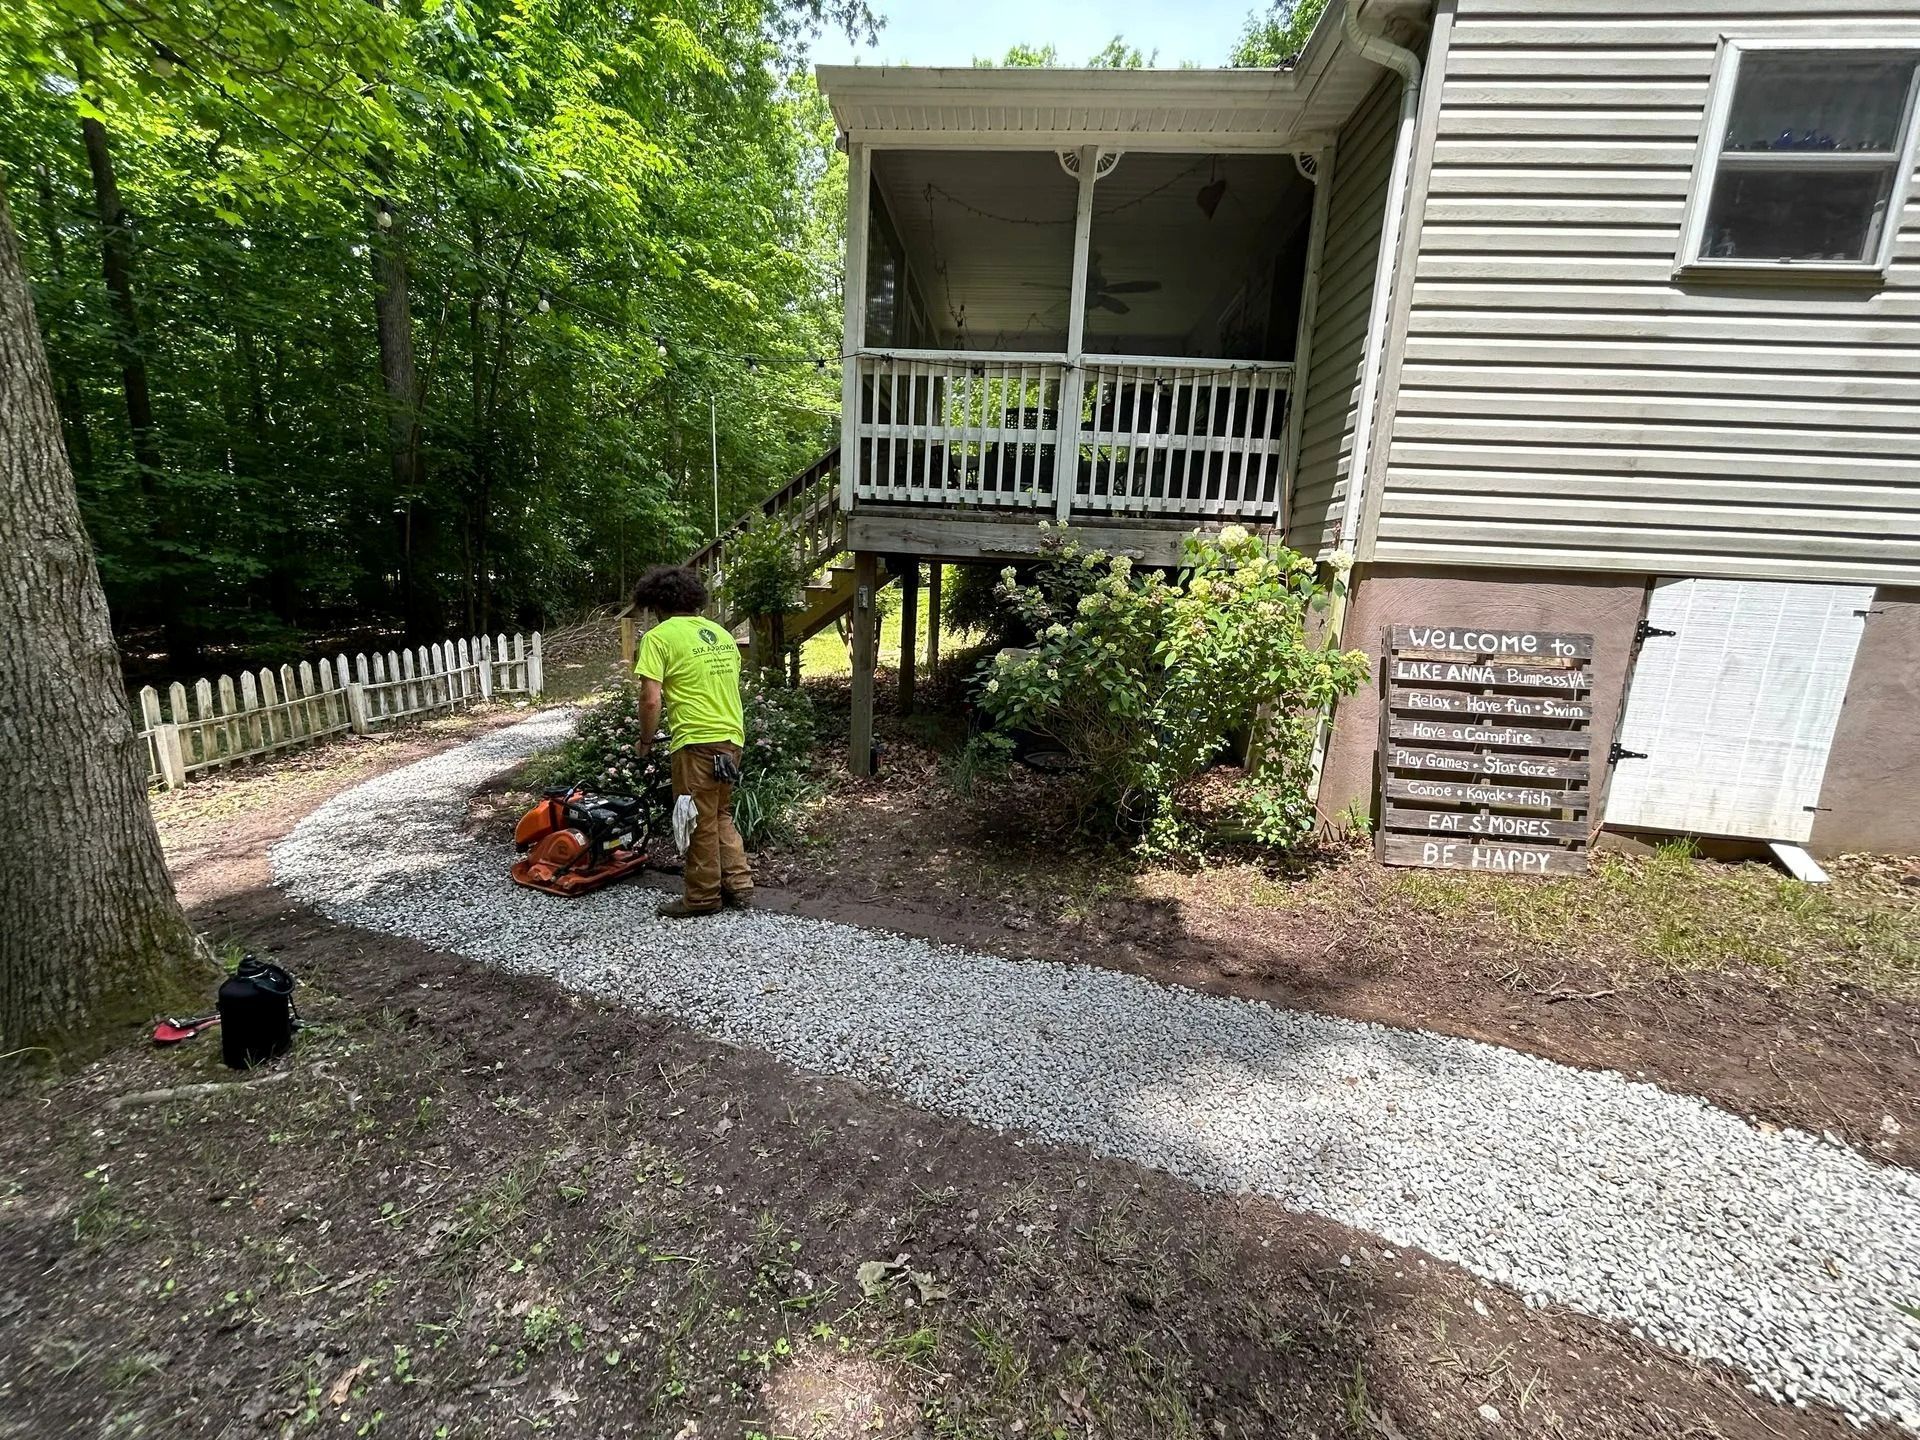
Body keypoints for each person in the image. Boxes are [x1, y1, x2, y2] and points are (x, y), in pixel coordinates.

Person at [631, 565, 753, 917]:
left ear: (656, 604)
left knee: (697, 818)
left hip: (696, 742)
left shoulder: (659, 637)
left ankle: (701, 898)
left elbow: (651, 699)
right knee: (719, 812)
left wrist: (645, 740)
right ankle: (739, 885)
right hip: (732, 738)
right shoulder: (720, 634)